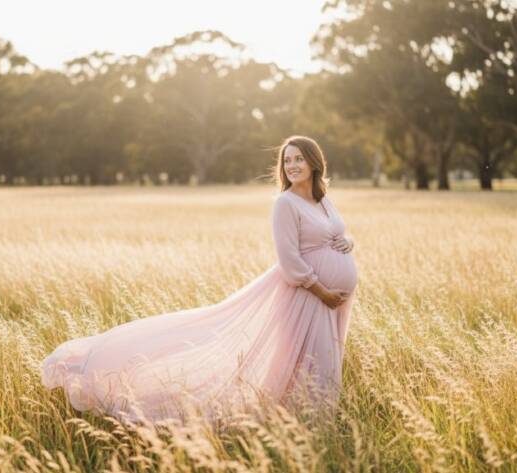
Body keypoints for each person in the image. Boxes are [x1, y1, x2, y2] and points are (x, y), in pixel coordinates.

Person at [40, 135, 357, 425]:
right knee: (307, 360)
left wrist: (347, 243)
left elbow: (331, 233)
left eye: (298, 159)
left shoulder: (322, 200)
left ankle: (304, 424)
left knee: (321, 360)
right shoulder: (285, 203)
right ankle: (297, 423)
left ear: (315, 162)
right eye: (287, 160)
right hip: (307, 296)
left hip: (332, 299)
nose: (292, 165)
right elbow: (289, 261)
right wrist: (323, 291)